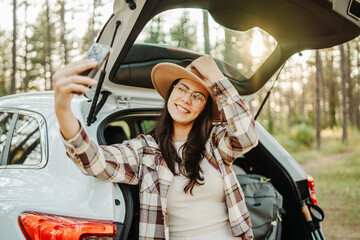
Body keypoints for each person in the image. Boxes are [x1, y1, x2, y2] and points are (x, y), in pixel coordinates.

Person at [53, 56, 258, 240]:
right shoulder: (146, 151)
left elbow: (247, 137)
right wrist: (63, 110)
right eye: (182, 89)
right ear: (170, 93)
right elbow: (94, 162)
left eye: (198, 96)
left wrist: (216, 76)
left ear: (204, 107)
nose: (186, 99)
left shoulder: (215, 143)